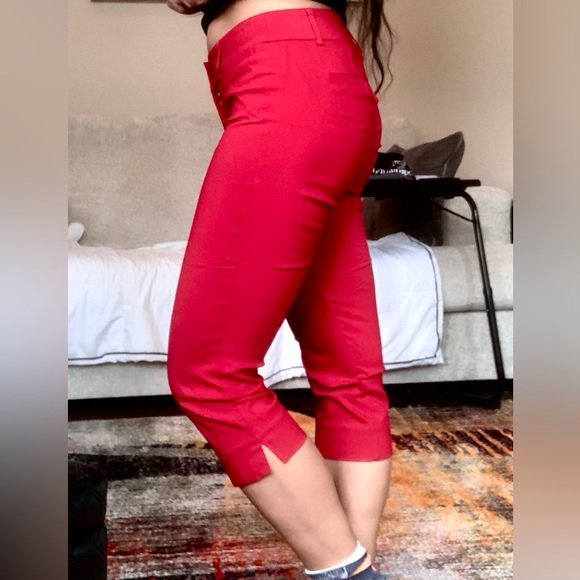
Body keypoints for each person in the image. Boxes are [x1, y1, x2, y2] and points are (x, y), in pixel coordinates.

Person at [166, 0, 394, 577]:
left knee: (209, 374)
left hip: (282, 77)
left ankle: (348, 571)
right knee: (348, 375)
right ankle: (357, 565)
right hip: (330, 77)